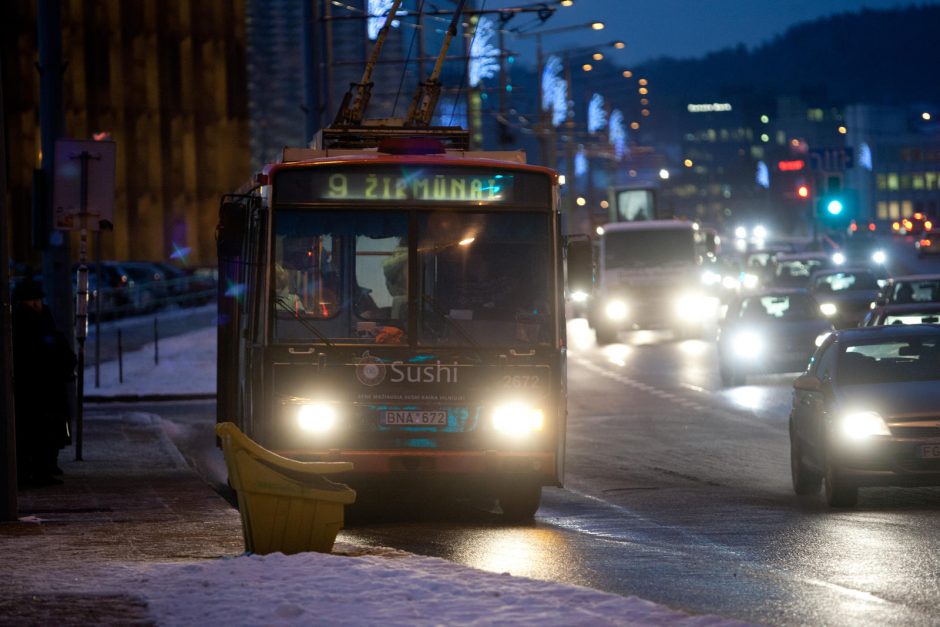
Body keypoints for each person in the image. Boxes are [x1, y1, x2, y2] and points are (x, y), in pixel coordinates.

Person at [12, 276, 77, 486]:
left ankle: (44, 467)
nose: (36, 304)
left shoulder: (42, 317)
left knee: (47, 428)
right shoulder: (24, 320)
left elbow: (55, 344)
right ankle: (37, 469)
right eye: (31, 301)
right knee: (37, 430)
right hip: (35, 386)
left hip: (47, 384)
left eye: (37, 300)